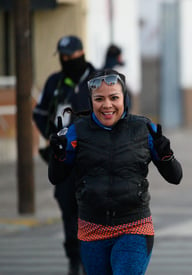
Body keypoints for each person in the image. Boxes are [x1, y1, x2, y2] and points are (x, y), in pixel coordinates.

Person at [48, 69, 183, 275]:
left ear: (125, 98)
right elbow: (56, 177)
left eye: (114, 98)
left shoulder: (144, 129)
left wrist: (166, 154)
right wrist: (57, 155)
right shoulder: (78, 130)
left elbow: (175, 177)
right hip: (91, 228)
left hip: (134, 227)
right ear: (91, 101)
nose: (107, 105)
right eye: (99, 99)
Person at [32, 35, 95, 275]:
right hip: (65, 162)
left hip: (93, 161)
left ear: (82, 53)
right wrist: (54, 137)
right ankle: (74, 260)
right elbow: (39, 113)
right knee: (69, 213)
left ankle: (92, 261)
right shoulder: (55, 82)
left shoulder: (99, 79)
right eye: (63, 57)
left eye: (71, 56)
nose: (67, 60)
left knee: (93, 212)